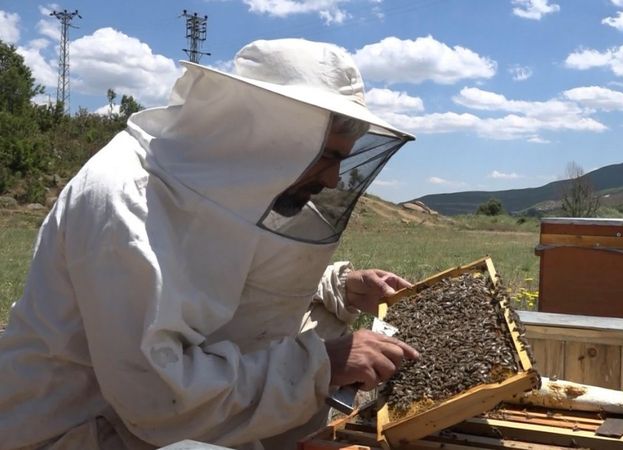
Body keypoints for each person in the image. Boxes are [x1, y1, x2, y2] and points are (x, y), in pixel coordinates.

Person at [0, 39, 418, 449]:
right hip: (82, 427)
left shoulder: (220, 181)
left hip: (145, 408)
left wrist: (337, 286)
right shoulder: (124, 202)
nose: (331, 179)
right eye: (326, 155)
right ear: (269, 133)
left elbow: (222, 268)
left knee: (323, 321)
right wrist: (321, 367)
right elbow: (156, 401)